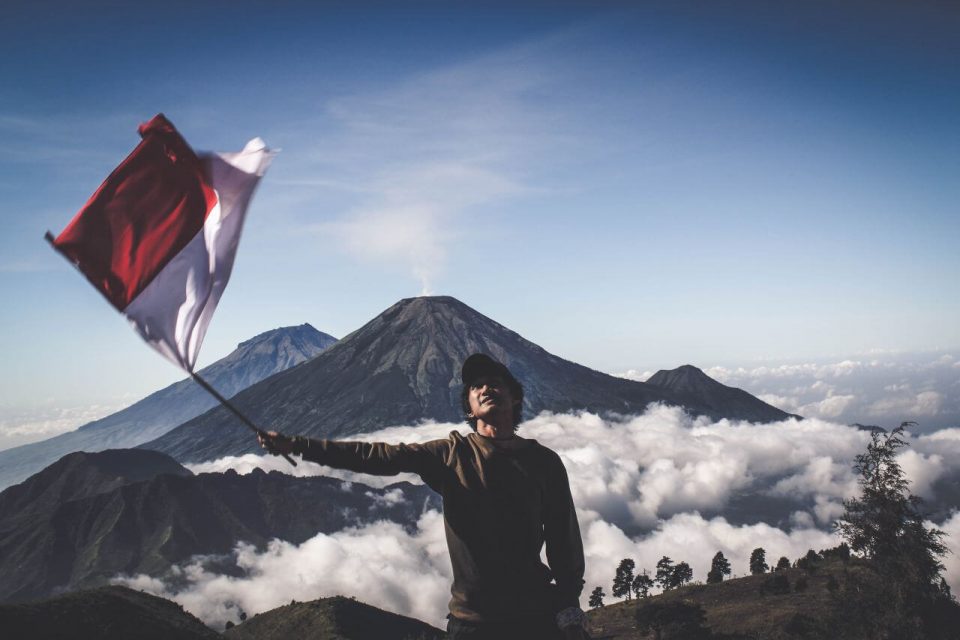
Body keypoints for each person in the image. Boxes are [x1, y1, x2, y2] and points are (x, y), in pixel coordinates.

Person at [258, 353, 590, 640]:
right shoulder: (451, 454)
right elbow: (378, 456)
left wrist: (569, 607)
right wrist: (300, 445)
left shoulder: (543, 462)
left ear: (515, 397)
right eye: (476, 387)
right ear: (469, 409)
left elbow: (563, 538)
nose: (486, 388)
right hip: (473, 623)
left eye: (495, 382)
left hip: (534, 616)